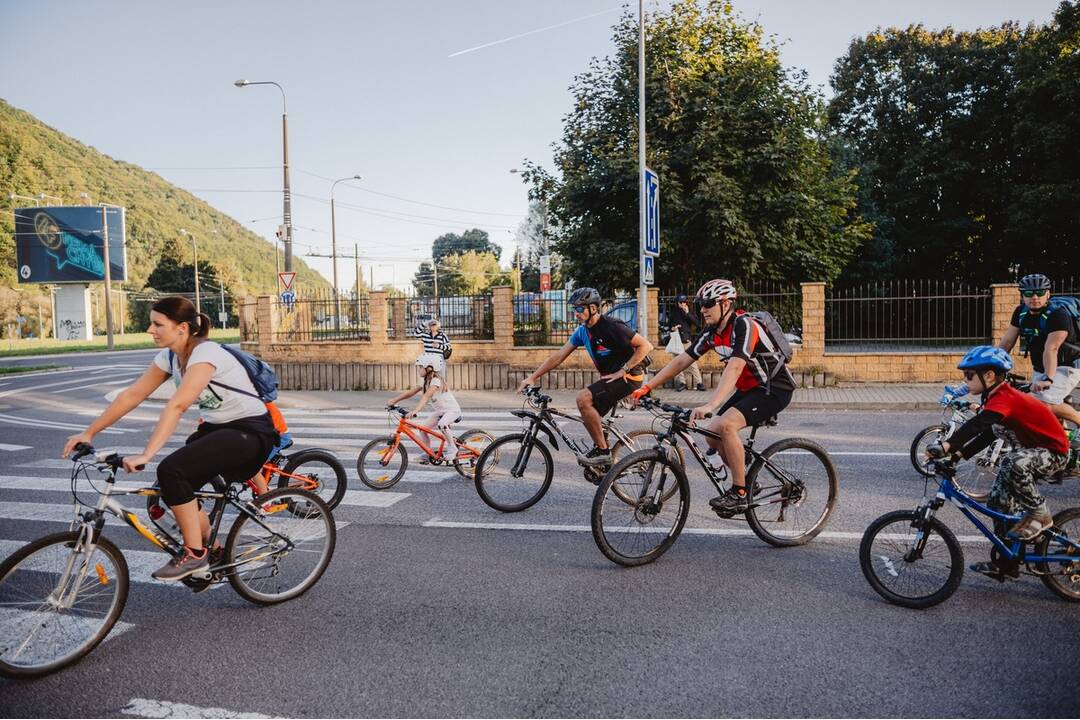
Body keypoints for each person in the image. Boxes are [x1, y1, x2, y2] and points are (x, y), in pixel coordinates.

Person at [61, 297, 278, 582]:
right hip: (217, 429)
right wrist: (89, 432)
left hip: (250, 431)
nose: (151, 329)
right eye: (151, 323)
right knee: (169, 488)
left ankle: (194, 555)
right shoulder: (170, 357)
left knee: (171, 470)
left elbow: (177, 405)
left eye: (157, 324)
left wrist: (147, 455)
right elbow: (132, 395)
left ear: (182, 328)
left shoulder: (205, 353)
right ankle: (212, 551)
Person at [632, 279, 796, 512]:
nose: (702, 309)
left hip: (774, 389)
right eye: (700, 304)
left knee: (726, 426)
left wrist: (712, 404)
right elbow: (682, 360)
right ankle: (749, 479)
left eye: (708, 303)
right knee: (711, 434)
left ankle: (740, 492)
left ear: (726, 303)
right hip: (750, 390)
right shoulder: (711, 333)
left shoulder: (745, 325)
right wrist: (647, 387)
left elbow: (736, 367)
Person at [926, 346, 1068, 574]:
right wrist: (956, 457)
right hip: (1032, 453)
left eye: (969, 375)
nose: (965, 380)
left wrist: (946, 445)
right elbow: (988, 433)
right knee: (997, 503)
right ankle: (1007, 562)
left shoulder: (1006, 397)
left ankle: (1040, 514)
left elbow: (978, 424)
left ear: (989, 376)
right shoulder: (994, 398)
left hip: (1054, 452)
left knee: (1012, 462)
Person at [517, 287, 654, 466]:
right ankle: (607, 463)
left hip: (629, 379)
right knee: (589, 417)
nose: (576, 313)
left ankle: (603, 452)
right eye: (574, 309)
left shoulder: (612, 326)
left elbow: (646, 346)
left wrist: (624, 369)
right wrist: (532, 377)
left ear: (593, 309)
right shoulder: (582, 332)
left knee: (583, 399)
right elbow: (557, 357)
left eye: (580, 309)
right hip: (610, 379)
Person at [997, 273, 1080, 428]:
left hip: (1067, 366)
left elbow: (1052, 348)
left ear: (1048, 294)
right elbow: (1007, 341)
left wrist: (1048, 378)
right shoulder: (1020, 313)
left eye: (1040, 292)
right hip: (1041, 367)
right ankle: (1062, 439)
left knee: (1043, 404)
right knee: (1042, 409)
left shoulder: (1057, 314)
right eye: (1029, 293)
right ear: (1022, 296)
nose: (1034, 297)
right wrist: (990, 364)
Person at [387, 353, 462, 463]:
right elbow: (411, 392)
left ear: (429, 368)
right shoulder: (425, 381)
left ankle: (452, 448)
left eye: (421, 367)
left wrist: (415, 411)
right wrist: (394, 400)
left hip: (452, 411)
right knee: (422, 429)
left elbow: (426, 396)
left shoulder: (436, 381)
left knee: (442, 424)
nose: (419, 369)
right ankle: (428, 453)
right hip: (440, 412)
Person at [668, 294, 705, 392]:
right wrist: (673, 328)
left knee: (692, 362)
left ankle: (699, 383)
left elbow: (696, 323)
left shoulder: (689, 312)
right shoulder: (674, 313)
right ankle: (682, 383)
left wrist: (687, 312)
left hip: (686, 340)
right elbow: (669, 325)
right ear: (677, 303)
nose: (682, 304)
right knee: (677, 363)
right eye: (680, 302)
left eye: (684, 302)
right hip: (677, 341)